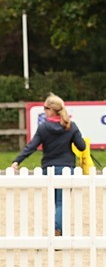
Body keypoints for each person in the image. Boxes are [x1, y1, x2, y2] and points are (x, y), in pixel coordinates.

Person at [11, 94, 86, 236]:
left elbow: (31, 147)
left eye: (45, 108)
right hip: (66, 168)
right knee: (61, 202)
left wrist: (17, 161)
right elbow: (81, 147)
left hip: (49, 168)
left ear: (51, 110)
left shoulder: (43, 127)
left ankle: (58, 229)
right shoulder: (71, 126)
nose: (44, 110)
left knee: (55, 202)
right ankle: (58, 229)